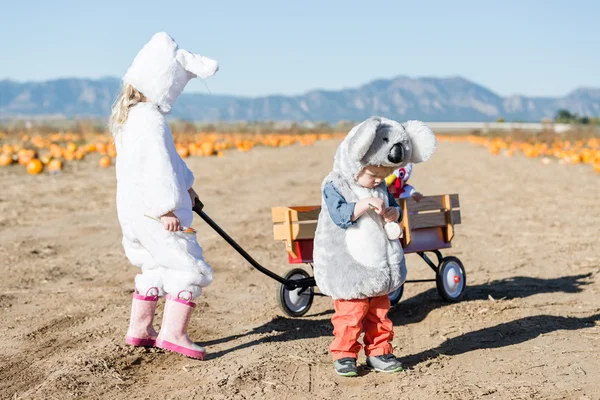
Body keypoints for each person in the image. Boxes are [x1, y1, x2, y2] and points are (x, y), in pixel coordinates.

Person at [109, 32, 218, 360]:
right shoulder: (151, 122)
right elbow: (156, 169)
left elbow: (168, 163)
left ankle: (140, 330)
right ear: (162, 83)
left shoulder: (130, 119)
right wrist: (167, 208)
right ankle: (173, 333)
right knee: (189, 268)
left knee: (154, 267)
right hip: (157, 215)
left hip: (134, 215)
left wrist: (186, 184)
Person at [313, 116, 437, 376]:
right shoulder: (336, 184)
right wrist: (365, 203)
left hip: (379, 265)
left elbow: (391, 208)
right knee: (350, 314)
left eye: (384, 176)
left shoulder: (380, 188)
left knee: (380, 314)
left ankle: (379, 352)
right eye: (373, 175)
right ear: (355, 162)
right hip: (351, 268)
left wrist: (393, 214)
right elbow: (339, 215)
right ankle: (345, 355)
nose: (378, 181)